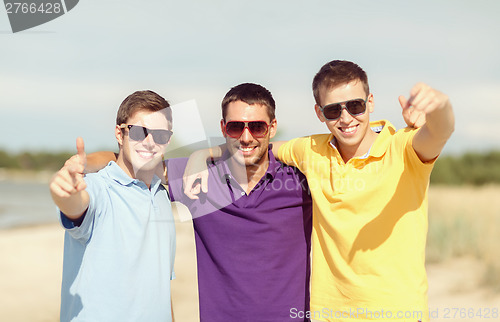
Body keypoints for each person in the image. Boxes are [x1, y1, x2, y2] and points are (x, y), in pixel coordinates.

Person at [186, 61, 453, 322]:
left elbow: (440, 132)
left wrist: (440, 107)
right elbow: (252, 144)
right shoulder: (312, 150)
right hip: (329, 313)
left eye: (356, 106)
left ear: (370, 102)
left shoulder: (403, 148)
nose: (346, 118)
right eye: (334, 110)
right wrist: (201, 155)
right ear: (319, 112)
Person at [85, 83, 313, 321]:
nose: (246, 137)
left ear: (272, 127)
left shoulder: (299, 181)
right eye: (236, 127)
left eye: (257, 127)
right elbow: (129, 161)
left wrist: (205, 152)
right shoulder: (199, 178)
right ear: (223, 128)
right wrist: (79, 163)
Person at [49, 90, 176, 322]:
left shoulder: (161, 196)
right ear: (120, 133)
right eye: (138, 132)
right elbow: (78, 206)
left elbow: (161, 287)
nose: (149, 142)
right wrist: (65, 194)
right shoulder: (98, 188)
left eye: (159, 135)